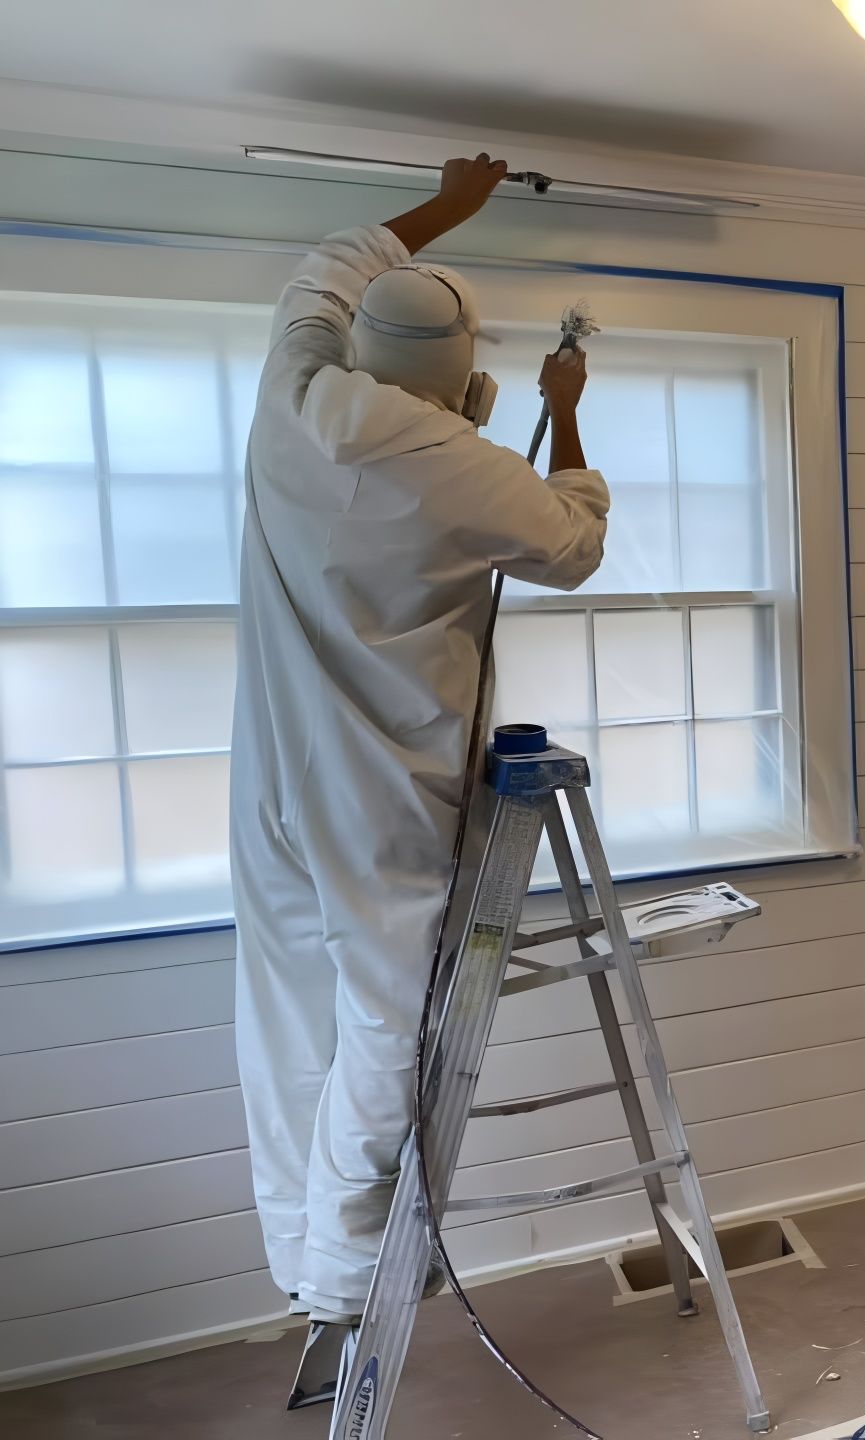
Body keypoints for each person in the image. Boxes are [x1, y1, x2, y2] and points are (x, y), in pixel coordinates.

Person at [229, 154, 610, 1326]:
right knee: (388, 1025)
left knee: (287, 1008)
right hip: (383, 792)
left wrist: (449, 208)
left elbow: (326, 271)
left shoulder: (293, 390)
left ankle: (300, 1256)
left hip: (272, 778)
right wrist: (562, 408)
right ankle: (348, 1278)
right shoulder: (468, 466)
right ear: (469, 385)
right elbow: (575, 543)